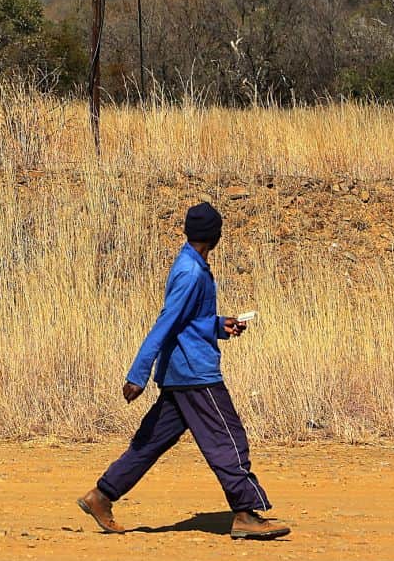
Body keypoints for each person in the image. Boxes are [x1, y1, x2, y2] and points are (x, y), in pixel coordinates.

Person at [78, 202, 289, 540]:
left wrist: (221, 325)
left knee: (149, 442)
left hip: (181, 374)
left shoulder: (192, 265)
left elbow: (190, 321)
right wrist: (138, 373)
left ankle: (101, 496)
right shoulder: (191, 273)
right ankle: (246, 513)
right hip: (195, 375)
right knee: (228, 439)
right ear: (215, 236)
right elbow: (167, 322)